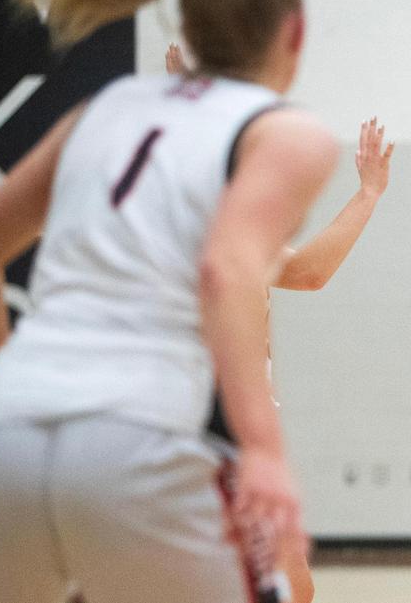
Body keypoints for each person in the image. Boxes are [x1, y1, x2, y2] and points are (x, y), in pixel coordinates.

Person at [0, 0, 343, 601]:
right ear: (295, 32)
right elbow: (227, 268)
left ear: (188, 26)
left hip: (3, 435)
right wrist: (264, 451)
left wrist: (10, 400)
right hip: (146, 435)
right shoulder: (287, 132)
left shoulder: (100, 110)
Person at [163, 42, 395, 603]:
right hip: (195, 432)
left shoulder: (237, 234)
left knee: (291, 586)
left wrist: (369, 194)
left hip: (232, 437)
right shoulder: (193, 231)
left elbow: (310, 272)